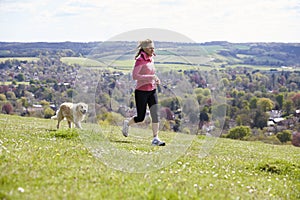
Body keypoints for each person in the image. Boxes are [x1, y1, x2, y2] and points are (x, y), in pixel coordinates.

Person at [122, 39, 165, 146]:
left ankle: (155, 138)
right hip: (141, 91)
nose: (152, 50)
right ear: (145, 49)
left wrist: (156, 79)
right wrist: (151, 77)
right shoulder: (140, 60)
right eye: (150, 48)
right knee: (140, 117)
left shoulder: (151, 59)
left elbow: (152, 73)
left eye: (153, 48)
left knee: (155, 114)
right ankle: (127, 123)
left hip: (152, 90)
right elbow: (135, 76)